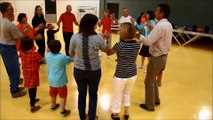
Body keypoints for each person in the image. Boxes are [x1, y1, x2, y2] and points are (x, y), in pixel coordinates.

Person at [69, 13, 109, 120]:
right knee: (93, 95)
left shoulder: (75, 37)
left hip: (79, 71)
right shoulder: (98, 38)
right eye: (96, 23)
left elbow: (70, 53)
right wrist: (107, 38)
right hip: (94, 71)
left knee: (81, 95)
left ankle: (82, 117)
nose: (97, 25)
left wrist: (77, 60)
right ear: (92, 25)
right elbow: (107, 50)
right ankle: (92, 117)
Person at [137, 4, 173, 111]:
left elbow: (148, 41)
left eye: (157, 11)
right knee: (154, 80)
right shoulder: (168, 25)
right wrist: (152, 29)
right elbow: (160, 36)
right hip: (164, 57)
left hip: (156, 57)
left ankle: (150, 105)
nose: (155, 12)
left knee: (148, 81)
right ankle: (156, 100)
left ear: (162, 13)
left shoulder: (160, 26)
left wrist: (137, 35)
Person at [107, 23, 140, 120]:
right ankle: (126, 112)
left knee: (117, 95)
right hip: (132, 73)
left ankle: (116, 114)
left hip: (121, 75)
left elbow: (109, 52)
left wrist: (107, 39)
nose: (118, 32)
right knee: (127, 94)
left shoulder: (119, 45)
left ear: (124, 33)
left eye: (120, 30)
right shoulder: (138, 44)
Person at [0, 2, 26, 98]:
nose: (13, 10)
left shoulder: (2, 21)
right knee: (15, 70)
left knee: (10, 69)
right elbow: (20, 37)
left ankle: (14, 86)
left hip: (3, 46)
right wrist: (24, 32)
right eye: (11, 8)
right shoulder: (10, 25)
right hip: (9, 48)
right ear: (7, 10)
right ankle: (14, 91)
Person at [46, 40, 72, 117]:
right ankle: (62, 111)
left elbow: (48, 53)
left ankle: (53, 106)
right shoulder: (62, 57)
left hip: (51, 80)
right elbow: (71, 59)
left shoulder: (47, 56)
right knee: (63, 95)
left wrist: (48, 51)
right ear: (60, 48)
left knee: (53, 93)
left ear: (49, 48)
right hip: (60, 82)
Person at [19, 36, 44, 112]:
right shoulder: (34, 53)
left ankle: (32, 99)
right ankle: (32, 106)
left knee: (30, 87)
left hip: (26, 73)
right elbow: (42, 59)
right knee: (33, 88)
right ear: (32, 45)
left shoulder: (21, 52)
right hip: (33, 73)